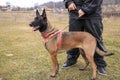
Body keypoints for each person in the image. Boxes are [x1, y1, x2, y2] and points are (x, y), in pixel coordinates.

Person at [63, 0, 107, 75]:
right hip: (75, 12)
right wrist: (69, 2)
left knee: (95, 38)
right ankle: (71, 59)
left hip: (93, 13)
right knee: (72, 38)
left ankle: (100, 64)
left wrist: (86, 9)